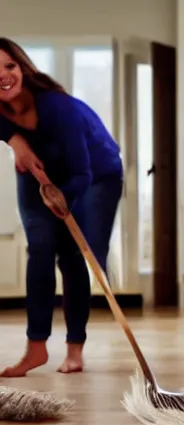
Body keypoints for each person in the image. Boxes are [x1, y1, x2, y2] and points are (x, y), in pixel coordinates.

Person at [0, 38, 123, 377]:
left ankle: (74, 349)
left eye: (9, 65)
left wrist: (62, 198)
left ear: (22, 66)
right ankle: (35, 349)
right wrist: (15, 139)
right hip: (38, 170)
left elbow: (82, 172)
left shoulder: (59, 108)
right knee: (39, 247)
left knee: (73, 255)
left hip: (94, 174)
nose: (4, 76)